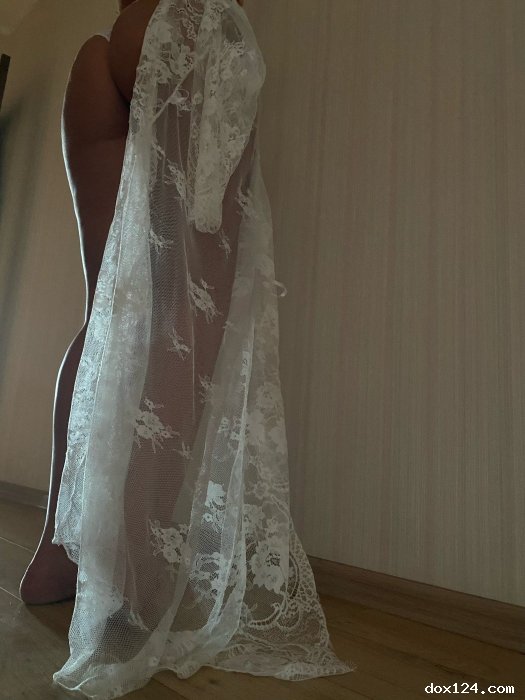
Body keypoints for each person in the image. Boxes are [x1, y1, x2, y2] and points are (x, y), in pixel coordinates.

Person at [21, 1, 356, 697]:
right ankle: (136, 579)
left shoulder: (104, 44)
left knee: (107, 314)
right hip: (188, 24)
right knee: (183, 321)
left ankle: (58, 552)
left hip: (108, 43)